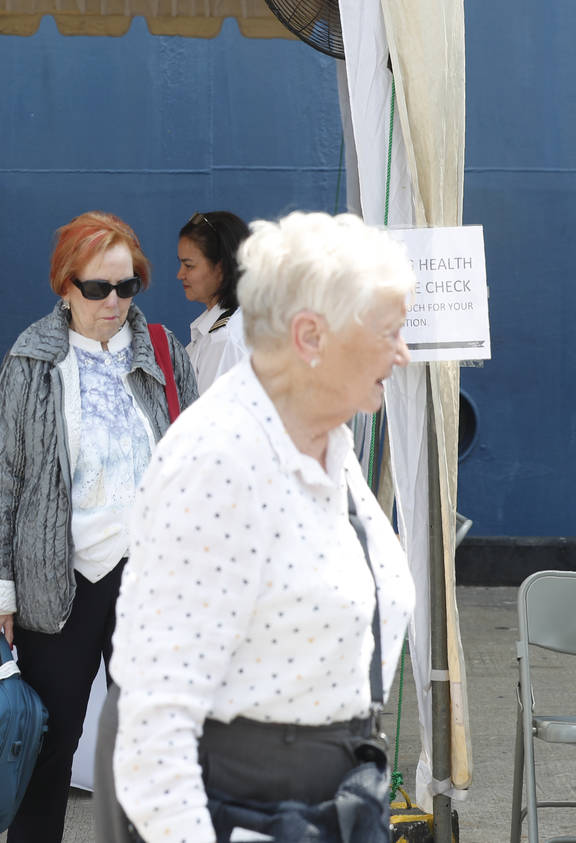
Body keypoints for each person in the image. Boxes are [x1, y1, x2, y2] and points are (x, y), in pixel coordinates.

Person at [107, 212, 417, 842]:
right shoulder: (219, 460)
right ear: (310, 336)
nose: (402, 352)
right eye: (388, 331)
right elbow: (154, 724)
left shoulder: (326, 436)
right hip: (240, 808)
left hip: (326, 802)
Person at [0, 211, 197, 842]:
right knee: (48, 747)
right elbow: (0, 483)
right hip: (57, 583)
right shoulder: (32, 359)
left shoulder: (167, 355)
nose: (114, 302)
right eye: (98, 288)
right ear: (65, 286)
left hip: (149, 582)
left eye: (127, 287)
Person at [177, 210, 252, 392]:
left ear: (221, 268)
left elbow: (211, 418)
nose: (180, 275)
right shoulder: (235, 324)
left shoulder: (224, 340)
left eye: (189, 266)